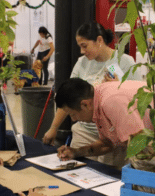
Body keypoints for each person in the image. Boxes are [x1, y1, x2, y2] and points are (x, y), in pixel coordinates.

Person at [42, 22, 142, 166]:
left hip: (114, 136)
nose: (82, 51)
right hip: (84, 132)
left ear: (99, 40)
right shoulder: (82, 63)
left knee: (108, 177)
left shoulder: (124, 62)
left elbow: (138, 99)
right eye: (80, 46)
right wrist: (53, 128)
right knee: (77, 172)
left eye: (84, 45)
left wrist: (118, 88)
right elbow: (68, 98)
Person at [55, 78, 155, 169]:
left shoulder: (110, 102)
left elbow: (140, 147)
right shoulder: (97, 97)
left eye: (73, 114)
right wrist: (77, 152)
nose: (74, 119)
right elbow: (108, 143)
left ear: (85, 104)